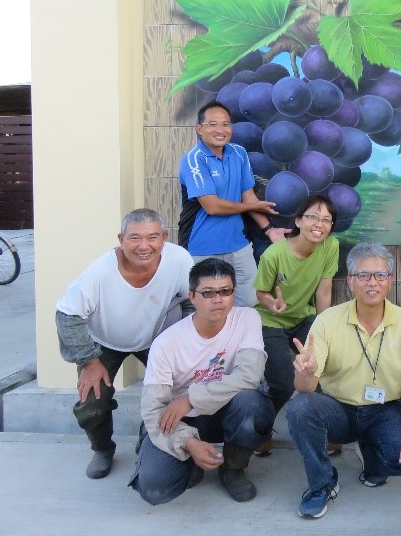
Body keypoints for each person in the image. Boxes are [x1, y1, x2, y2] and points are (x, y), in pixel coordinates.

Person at [286, 242, 401, 519]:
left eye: (380, 275)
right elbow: (304, 389)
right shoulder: (327, 321)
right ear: (350, 281)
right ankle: (322, 483)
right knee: (300, 407)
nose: (372, 282)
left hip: (385, 410)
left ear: (390, 280)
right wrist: (305, 372)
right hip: (338, 408)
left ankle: (373, 458)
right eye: (363, 275)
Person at [55, 208, 194, 480]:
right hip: (102, 344)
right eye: (135, 238)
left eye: (153, 237)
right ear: (121, 239)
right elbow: (67, 315)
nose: (144, 246)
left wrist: (184, 340)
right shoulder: (99, 272)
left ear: (164, 237)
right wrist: (89, 362)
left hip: (155, 338)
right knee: (92, 403)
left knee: (179, 389)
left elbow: (193, 298)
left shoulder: (179, 259)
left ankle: (150, 438)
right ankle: (102, 449)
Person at [129, 258, 275, 504]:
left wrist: (191, 398)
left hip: (221, 410)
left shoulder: (247, 319)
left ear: (234, 293)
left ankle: (232, 468)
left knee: (254, 405)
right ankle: (179, 451)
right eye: (208, 293)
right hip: (178, 419)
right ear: (192, 296)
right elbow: (154, 409)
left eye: (225, 291)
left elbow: (249, 376)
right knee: (155, 488)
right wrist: (188, 442)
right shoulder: (167, 343)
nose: (218, 299)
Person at [178, 100, 286, 307]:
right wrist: (253, 207)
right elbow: (212, 206)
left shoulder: (238, 153)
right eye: (213, 124)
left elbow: (248, 196)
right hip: (202, 249)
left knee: (249, 304)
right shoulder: (194, 160)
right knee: (204, 311)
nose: (220, 130)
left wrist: (270, 229)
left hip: (239, 246)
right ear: (199, 129)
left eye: (226, 124)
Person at [254, 195, 338, 426]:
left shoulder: (331, 246)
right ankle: (263, 429)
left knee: (321, 368)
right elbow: (261, 293)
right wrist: (272, 303)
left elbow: (324, 291)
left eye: (326, 220)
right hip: (271, 320)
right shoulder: (274, 255)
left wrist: (324, 331)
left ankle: (327, 429)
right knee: (282, 383)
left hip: (304, 317)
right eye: (313, 217)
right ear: (298, 221)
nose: (319, 225)